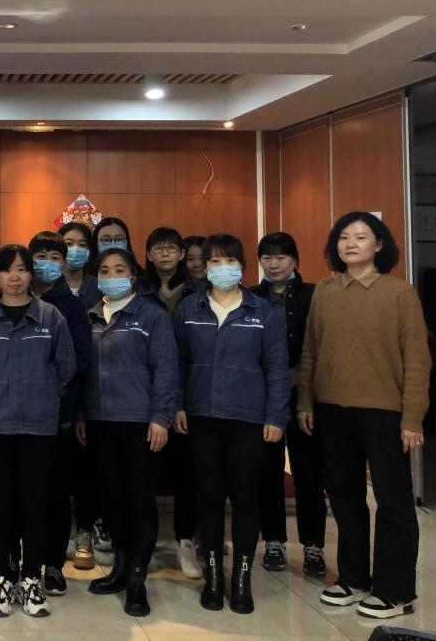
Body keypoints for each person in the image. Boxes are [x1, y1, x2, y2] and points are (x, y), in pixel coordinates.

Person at [297, 212, 430, 620]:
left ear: (379, 244)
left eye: (360, 236)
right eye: (343, 237)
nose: (351, 244)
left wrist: (412, 417)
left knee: (393, 500)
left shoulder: (399, 292)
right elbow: (311, 351)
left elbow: (417, 359)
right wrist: (306, 401)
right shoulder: (324, 291)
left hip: (385, 412)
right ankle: (354, 578)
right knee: (344, 496)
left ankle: (396, 591)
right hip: (333, 409)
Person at [173, 233, 288, 615]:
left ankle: (241, 577)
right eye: (215, 262)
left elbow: (276, 368)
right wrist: (177, 405)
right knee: (208, 498)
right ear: (204, 268)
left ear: (242, 266)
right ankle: (212, 577)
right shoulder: (189, 309)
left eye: (230, 261)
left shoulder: (262, 311)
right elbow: (177, 364)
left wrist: (275, 416)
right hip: (201, 417)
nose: (223, 268)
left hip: (248, 420)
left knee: (245, 499)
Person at [0, 244, 75, 617]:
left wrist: (41, 395)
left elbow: (65, 368)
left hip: (38, 426)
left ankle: (32, 578)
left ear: (31, 274)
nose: (14, 277)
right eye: (6, 269)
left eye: (21, 269)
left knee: (35, 503)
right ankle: (1, 577)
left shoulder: (51, 317)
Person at [85, 248, 176, 616]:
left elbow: (166, 370)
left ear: (134, 275)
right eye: (105, 271)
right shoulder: (90, 315)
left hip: (141, 422)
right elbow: (83, 370)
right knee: (112, 499)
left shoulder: (152, 315)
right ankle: (121, 568)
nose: (112, 276)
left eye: (119, 269)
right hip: (100, 422)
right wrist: (82, 414)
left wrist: (161, 418)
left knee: (140, 499)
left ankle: (138, 578)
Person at [251, 232, 326, 578]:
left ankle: (313, 547)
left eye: (281, 257)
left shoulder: (314, 295)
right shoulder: (251, 297)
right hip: (263, 397)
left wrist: (299, 378)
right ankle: (274, 542)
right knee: (267, 473)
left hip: (304, 396)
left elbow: (321, 345)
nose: (274, 264)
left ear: (294, 260)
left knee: (308, 472)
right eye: (267, 257)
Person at [28, 230, 92, 598]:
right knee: (25, 494)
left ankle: (53, 564)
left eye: (55, 257)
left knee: (56, 494)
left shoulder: (72, 307)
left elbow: (80, 361)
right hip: (17, 416)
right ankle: (25, 563)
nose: (47, 263)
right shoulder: (13, 297)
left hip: (58, 414)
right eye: (41, 256)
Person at [139, 226, 200, 579]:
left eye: (171, 247)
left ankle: (185, 540)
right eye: (157, 247)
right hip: (146, 397)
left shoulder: (198, 292)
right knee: (146, 474)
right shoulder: (139, 293)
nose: (164, 253)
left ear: (181, 253)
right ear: (148, 254)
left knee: (186, 474)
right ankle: (143, 545)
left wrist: (179, 402)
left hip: (191, 397)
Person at [57, 221, 104, 573]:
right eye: (67, 243)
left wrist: (82, 408)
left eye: (81, 243)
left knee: (86, 470)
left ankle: (85, 531)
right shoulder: (36, 290)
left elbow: (82, 358)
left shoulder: (99, 286)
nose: (74, 250)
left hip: (87, 393)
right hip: (45, 401)